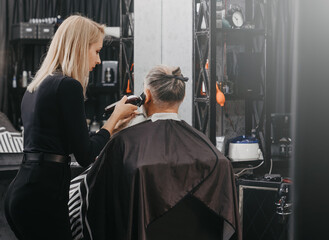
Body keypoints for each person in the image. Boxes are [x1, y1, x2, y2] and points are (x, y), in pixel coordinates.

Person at [68, 65, 241, 240]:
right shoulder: (206, 147)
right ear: (183, 96)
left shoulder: (125, 142)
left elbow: (92, 194)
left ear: (147, 96)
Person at [4, 15, 138, 240]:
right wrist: (113, 119)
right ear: (79, 47)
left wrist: (112, 127)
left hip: (21, 192)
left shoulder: (35, 87)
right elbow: (86, 155)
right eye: (96, 51)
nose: (98, 61)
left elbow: (73, 142)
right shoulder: (69, 86)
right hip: (42, 197)